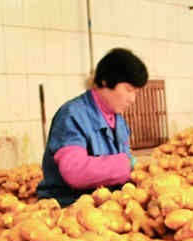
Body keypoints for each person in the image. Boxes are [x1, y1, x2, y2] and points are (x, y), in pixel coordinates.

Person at [36, 48, 147, 206]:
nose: (132, 99)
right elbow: (75, 172)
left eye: (136, 92)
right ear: (105, 81)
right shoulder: (72, 116)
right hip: (67, 206)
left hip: (106, 205)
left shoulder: (119, 121)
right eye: (129, 90)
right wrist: (126, 164)